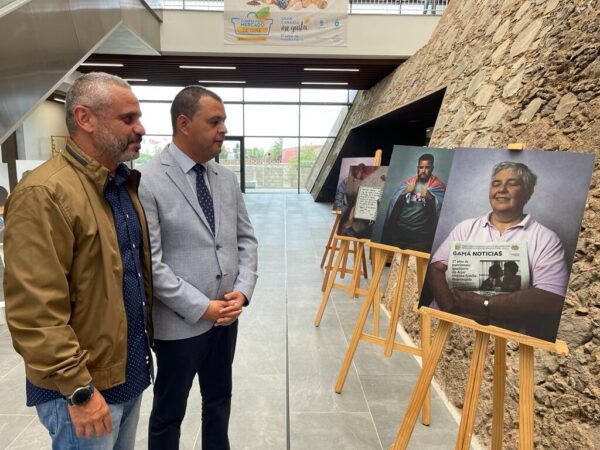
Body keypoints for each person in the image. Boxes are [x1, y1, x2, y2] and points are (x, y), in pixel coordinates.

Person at [3, 72, 153, 448]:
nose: (141, 128)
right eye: (127, 119)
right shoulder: (45, 193)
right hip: (81, 392)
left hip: (125, 375)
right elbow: (35, 312)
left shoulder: (118, 184)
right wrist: (79, 391)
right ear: (85, 119)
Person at [139, 86, 258, 449]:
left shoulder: (224, 178)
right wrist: (200, 307)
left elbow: (246, 240)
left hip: (225, 318)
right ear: (184, 123)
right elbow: (151, 264)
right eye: (215, 121)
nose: (223, 128)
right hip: (179, 324)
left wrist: (243, 290)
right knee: (169, 412)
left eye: (224, 121)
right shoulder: (147, 180)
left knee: (219, 400)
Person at [422, 161, 569, 341]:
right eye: (496, 183)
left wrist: (485, 305)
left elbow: (552, 298)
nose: (502, 189)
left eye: (512, 183)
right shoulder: (465, 227)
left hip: (504, 338)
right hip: (446, 326)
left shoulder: (546, 239)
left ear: (528, 192)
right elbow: (436, 268)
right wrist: (453, 312)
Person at [381, 153, 446, 252]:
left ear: (432, 168)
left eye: (427, 167)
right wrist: (404, 193)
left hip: (421, 238)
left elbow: (443, 212)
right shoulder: (408, 183)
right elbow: (392, 204)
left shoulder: (438, 186)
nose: (423, 171)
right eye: (421, 167)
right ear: (417, 167)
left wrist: (430, 198)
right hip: (400, 232)